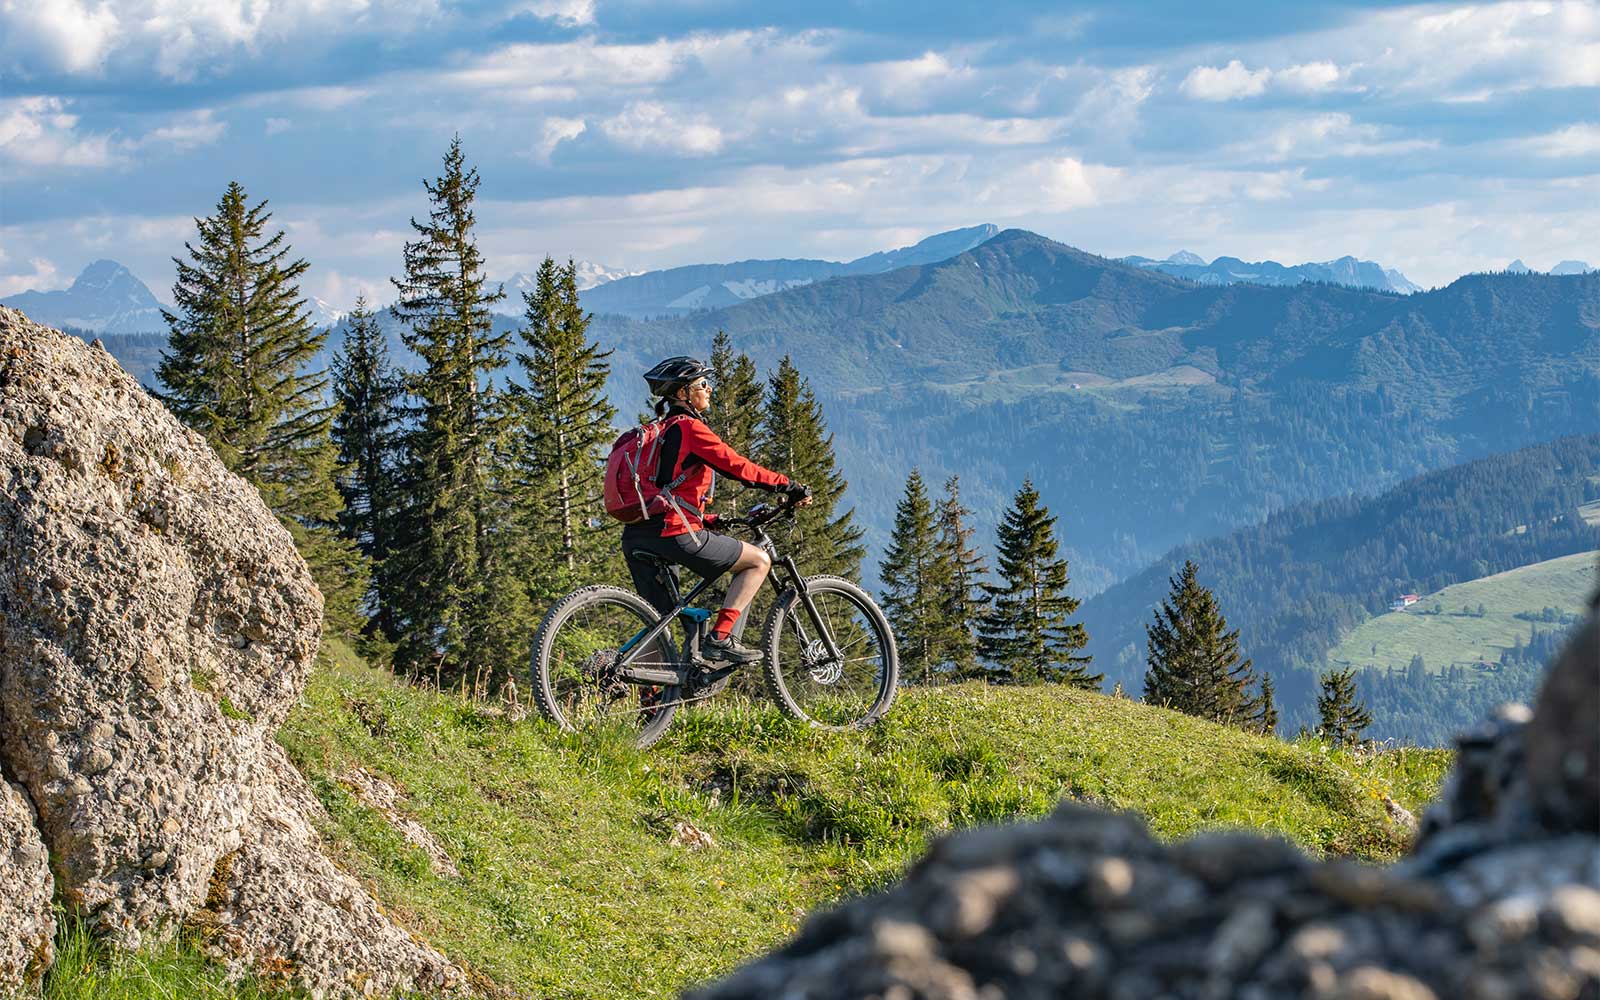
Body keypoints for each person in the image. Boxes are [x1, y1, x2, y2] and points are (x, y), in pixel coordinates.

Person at [622, 356, 811, 664]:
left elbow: (664, 491)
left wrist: (710, 519)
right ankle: (721, 638)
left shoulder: (658, 432)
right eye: (703, 384)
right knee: (758, 562)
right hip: (674, 533)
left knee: (660, 622)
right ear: (683, 393)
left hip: (637, 536)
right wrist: (788, 485)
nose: (709, 389)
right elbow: (739, 468)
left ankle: (651, 704)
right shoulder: (689, 428)